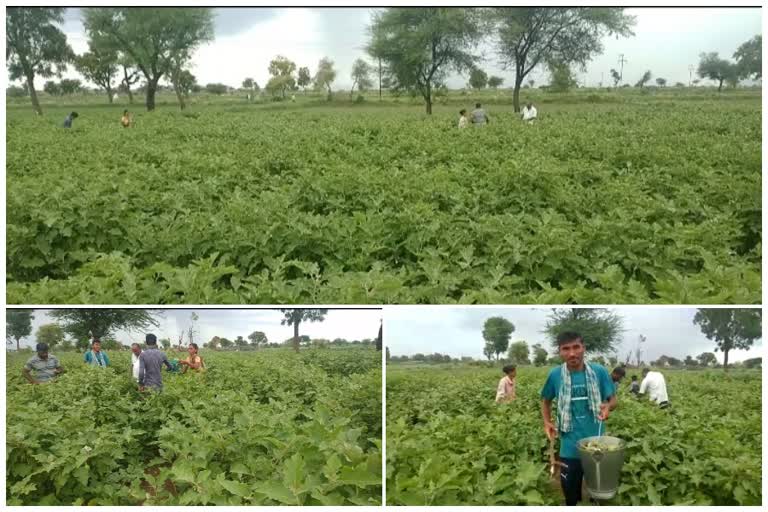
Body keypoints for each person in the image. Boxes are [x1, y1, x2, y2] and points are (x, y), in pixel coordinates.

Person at [541, 332, 617, 506]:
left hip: (596, 444)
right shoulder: (555, 375)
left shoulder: (599, 372)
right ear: (560, 352)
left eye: (576, 347)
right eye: (566, 349)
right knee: (570, 493)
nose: (572, 353)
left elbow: (613, 400)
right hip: (569, 447)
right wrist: (547, 421)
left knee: (597, 493)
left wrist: (608, 406)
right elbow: (545, 401)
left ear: (584, 348)